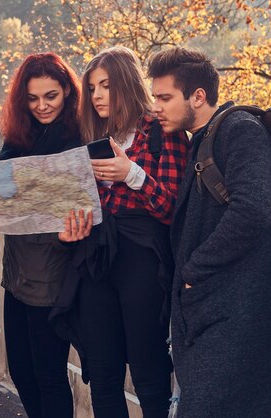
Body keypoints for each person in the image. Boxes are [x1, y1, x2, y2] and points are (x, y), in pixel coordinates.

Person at [148, 47, 271, 418]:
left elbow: (252, 209)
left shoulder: (240, 130)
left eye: (165, 98)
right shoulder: (203, 139)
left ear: (198, 96)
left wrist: (196, 270)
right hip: (215, 309)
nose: (156, 108)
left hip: (235, 308)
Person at [61, 45, 189, 418]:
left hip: (144, 261)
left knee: (148, 371)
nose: (97, 95)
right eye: (92, 87)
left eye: (106, 85)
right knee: (101, 374)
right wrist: (71, 226)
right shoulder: (93, 137)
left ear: (126, 85)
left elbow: (170, 209)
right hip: (98, 258)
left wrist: (130, 173)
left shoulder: (161, 131)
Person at [0, 52, 90, 418]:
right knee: (20, 371)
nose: (42, 106)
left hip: (53, 271)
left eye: (50, 96)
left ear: (67, 89)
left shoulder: (79, 136)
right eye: (33, 99)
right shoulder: (18, 136)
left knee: (49, 374)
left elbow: (89, 207)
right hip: (16, 270)